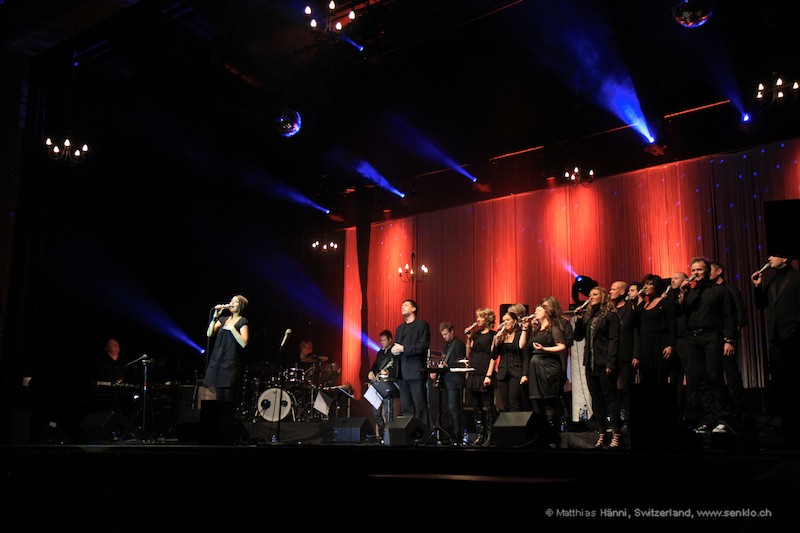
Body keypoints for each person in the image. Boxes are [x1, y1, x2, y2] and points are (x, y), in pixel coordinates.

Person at [679, 257, 737, 434]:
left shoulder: (720, 290)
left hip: (712, 336)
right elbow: (682, 312)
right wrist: (682, 294)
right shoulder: (690, 291)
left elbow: (729, 316)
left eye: (699, 270)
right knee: (700, 380)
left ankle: (723, 419)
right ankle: (709, 419)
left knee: (715, 377)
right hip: (693, 339)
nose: (695, 273)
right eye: (693, 270)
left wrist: (729, 340)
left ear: (707, 271)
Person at [752, 254, 800, 449]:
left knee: (795, 382)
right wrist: (757, 287)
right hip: (775, 339)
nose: (769, 258)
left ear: (785, 258)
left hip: (794, 337)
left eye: (774, 255)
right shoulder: (771, 280)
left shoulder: (797, 277)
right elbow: (761, 305)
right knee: (782, 385)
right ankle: (788, 429)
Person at [631, 274, 678, 448]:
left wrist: (670, 345)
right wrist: (635, 304)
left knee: (660, 382)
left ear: (656, 287)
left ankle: (664, 419)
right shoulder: (642, 306)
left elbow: (672, 325)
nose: (646, 286)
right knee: (646, 384)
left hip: (660, 348)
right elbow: (635, 325)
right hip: (646, 351)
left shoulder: (665, 303)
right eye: (645, 284)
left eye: (649, 284)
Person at [574, 286, 623, 449]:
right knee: (596, 400)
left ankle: (617, 434)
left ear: (602, 297)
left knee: (610, 399)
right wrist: (579, 319)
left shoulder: (610, 315)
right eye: (590, 295)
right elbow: (578, 337)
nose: (591, 297)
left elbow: (614, 340)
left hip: (605, 363)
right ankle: (601, 433)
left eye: (595, 294)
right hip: (591, 364)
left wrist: (611, 362)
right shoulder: (589, 317)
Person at [710, 261, 748, 428]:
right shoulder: (709, 291)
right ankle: (721, 413)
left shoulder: (730, 290)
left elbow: (739, 316)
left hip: (727, 339)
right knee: (715, 376)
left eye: (709, 270)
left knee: (731, 375)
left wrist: (730, 340)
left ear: (719, 271)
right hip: (712, 339)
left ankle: (739, 413)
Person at [521, 303, 566, 443]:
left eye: (538, 310)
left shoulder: (553, 329)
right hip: (535, 368)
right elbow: (522, 345)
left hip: (548, 367)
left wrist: (544, 349)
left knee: (548, 401)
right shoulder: (536, 331)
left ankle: (552, 437)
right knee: (538, 401)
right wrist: (525, 328)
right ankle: (543, 436)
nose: (535, 312)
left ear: (546, 313)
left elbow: (562, 346)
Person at [202, 295, 250, 403]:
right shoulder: (223, 319)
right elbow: (209, 333)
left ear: (241, 306)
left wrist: (232, 329)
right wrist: (215, 317)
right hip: (218, 362)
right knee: (219, 398)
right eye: (231, 301)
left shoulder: (242, 321)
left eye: (235, 302)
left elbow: (244, 343)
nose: (231, 303)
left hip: (230, 365)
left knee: (228, 398)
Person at [392, 299, 430, 426]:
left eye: (406, 305)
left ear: (414, 309)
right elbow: (397, 346)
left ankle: (423, 432)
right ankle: (408, 432)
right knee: (406, 406)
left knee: (420, 405)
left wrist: (404, 349)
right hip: (402, 372)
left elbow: (422, 346)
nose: (402, 307)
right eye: (402, 305)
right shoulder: (400, 328)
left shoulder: (421, 325)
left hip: (415, 371)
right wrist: (394, 351)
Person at [464, 307, 497, 446]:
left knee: (488, 405)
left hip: (485, 371)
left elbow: (493, 355)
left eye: (481, 317)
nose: (478, 319)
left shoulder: (493, 335)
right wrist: (469, 338)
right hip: (474, 370)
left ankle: (490, 435)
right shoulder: (476, 334)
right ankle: (480, 434)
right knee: (476, 405)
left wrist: (489, 375)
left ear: (487, 319)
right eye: (477, 317)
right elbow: (468, 353)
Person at [432, 322, 467, 441]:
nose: (444, 337)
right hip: (447, 380)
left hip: (455, 380)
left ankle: (457, 433)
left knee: (454, 407)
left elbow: (462, 363)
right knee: (447, 408)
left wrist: (448, 365)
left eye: (446, 334)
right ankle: (449, 432)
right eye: (443, 335)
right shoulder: (446, 345)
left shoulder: (459, 344)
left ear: (452, 331)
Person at [609, 280, 637, 425]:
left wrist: (636, 354)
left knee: (627, 387)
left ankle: (629, 419)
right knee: (610, 387)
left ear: (622, 292)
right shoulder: (609, 310)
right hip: (611, 355)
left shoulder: (630, 308)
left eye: (613, 289)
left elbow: (635, 331)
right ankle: (614, 420)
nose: (610, 291)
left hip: (626, 353)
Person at [491, 311, 528, 413]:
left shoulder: (519, 335)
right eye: (503, 321)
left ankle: (517, 423)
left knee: (514, 402)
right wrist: (496, 342)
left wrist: (525, 374)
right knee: (505, 404)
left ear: (514, 321)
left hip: (516, 372)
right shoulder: (502, 336)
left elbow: (525, 356)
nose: (505, 322)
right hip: (503, 373)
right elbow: (494, 355)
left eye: (508, 320)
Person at [367, 330, 397, 438]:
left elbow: (397, 367)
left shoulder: (394, 352)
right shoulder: (380, 352)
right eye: (381, 340)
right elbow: (375, 366)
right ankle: (382, 432)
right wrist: (371, 371)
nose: (382, 342)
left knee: (388, 413)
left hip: (388, 384)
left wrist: (389, 372)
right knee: (375, 412)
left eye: (384, 340)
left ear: (390, 340)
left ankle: (390, 435)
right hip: (378, 384)